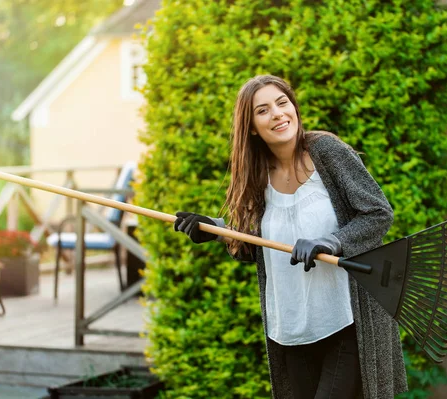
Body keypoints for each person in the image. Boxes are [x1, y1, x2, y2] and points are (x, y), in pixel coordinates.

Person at [174, 75, 407, 399]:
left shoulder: (326, 151)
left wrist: (332, 241)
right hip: (291, 328)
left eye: (282, 103)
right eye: (263, 110)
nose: (278, 114)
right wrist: (215, 231)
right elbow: (256, 246)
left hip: (346, 321)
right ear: (252, 126)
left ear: (294, 108)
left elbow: (379, 213)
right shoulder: (256, 174)